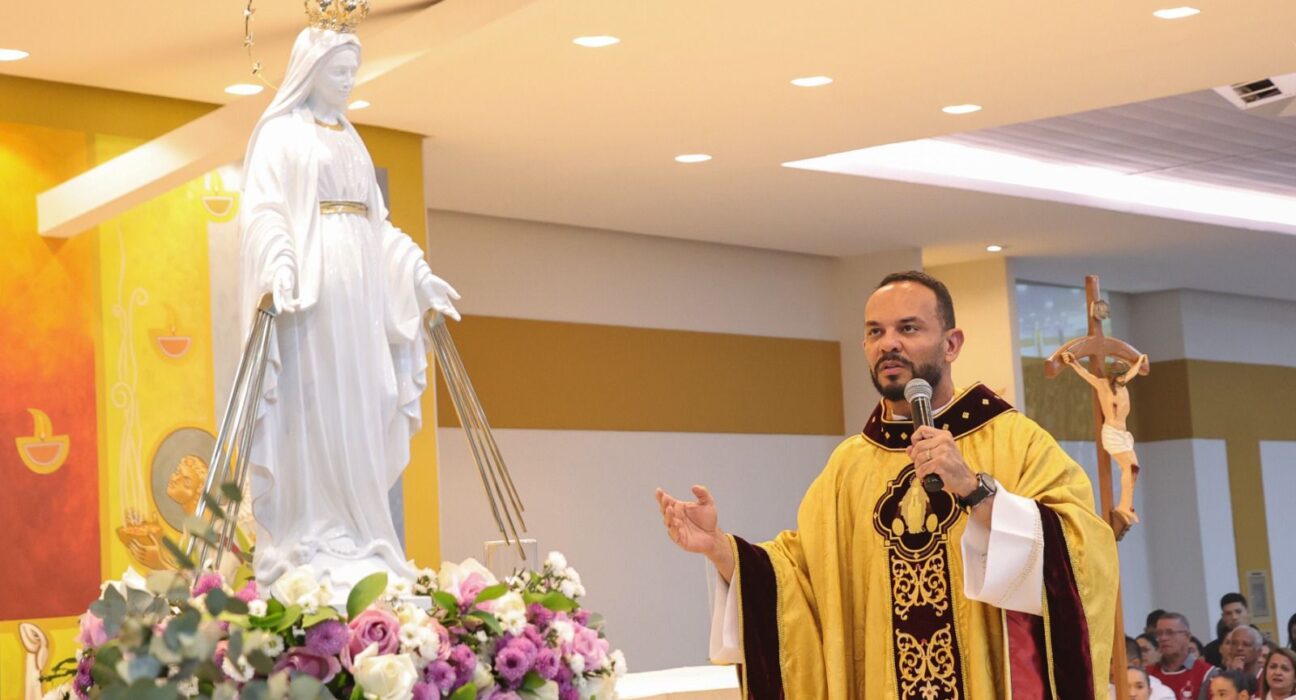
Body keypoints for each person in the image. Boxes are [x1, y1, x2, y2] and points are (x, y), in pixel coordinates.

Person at [656, 271, 1118, 699]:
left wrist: (976, 491)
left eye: (909, 329)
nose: (888, 344)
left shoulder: (1015, 441)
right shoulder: (849, 466)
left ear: (952, 343)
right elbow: (805, 581)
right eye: (875, 332)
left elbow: (1082, 550)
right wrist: (721, 549)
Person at [240, 18, 461, 591]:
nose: (347, 82)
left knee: (365, 400)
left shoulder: (350, 137)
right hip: (311, 296)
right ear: (310, 73)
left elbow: (378, 225)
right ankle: (312, 532)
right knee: (314, 404)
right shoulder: (281, 134)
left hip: (361, 293)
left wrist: (417, 277)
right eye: (338, 72)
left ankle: (363, 535)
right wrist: (278, 264)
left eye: (352, 73)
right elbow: (265, 211)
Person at [1060, 348, 1147, 538]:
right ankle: (1125, 506)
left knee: (1134, 469)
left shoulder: (1123, 385)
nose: (1125, 378)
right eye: (1121, 375)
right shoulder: (1103, 386)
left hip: (1123, 434)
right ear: (1114, 376)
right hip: (1112, 434)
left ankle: (1126, 506)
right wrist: (1073, 362)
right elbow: (1085, 374)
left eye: (1125, 375)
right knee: (1130, 467)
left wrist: (1140, 361)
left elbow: (1133, 371)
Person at [1149, 612, 1215, 699]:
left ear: (1187, 636)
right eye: (1159, 633)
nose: (1163, 638)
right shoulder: (1148, 673)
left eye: (1170, 632)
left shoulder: (1207, 673)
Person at [1205, 595, 1253, 667]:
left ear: (1248, 613)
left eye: (1238, 612)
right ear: (1223, 617)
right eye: (1228, 613)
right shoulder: (1211, 650)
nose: (1234, 617)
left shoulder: (1263, 643)